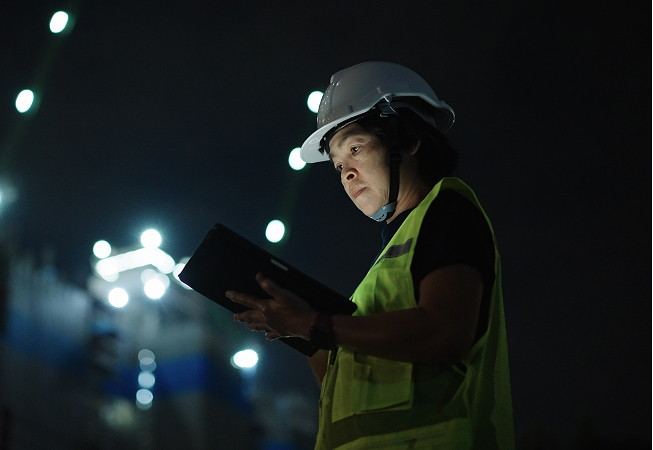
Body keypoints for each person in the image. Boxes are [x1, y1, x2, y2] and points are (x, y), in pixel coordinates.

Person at [226, 61, 515, 449]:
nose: (346, 174)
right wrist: (302, 331)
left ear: (408, 139)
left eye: (356, 148)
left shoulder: (448, 209)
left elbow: (445, 332)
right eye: (338, 166)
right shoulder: (384, 269)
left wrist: (316, 323)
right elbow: (344, 381)